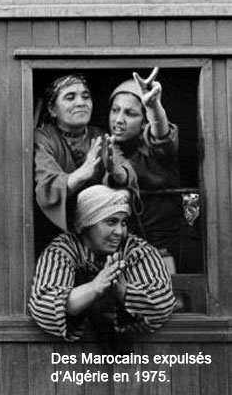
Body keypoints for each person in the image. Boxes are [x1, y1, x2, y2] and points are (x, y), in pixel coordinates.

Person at [28, 185, 175, 352]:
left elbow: (164, 303)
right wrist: (95, 287)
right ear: (85, 224)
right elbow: (42, 307)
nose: (120, 232)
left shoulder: (137, 250)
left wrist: (124, 291)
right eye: (111, 222)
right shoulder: (62, 250)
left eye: (123, 223)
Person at [34, 74, 137, 245]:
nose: (81, 102)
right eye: (70, 97)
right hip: (57, 234)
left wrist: (118, 172)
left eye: (85, 96)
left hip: (102, 234)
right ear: (52, 109)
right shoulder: (43, 138)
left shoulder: (99, 136)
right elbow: (47, 188)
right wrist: (82, 173)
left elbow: (128, 174)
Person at [107, 68, 182, 273]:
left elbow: (162, 138)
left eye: (130, 113)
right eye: (115, 110)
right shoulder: (106, 146)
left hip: (165, 252)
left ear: (144, 122)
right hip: (122, 252)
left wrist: (154, 108)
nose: (119, 119)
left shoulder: (155, 149)